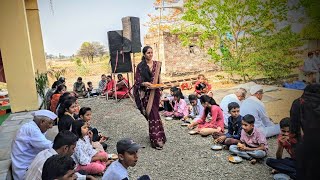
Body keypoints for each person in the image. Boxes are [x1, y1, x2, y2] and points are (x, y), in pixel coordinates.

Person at [25, 130, 94, 180]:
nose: (74, 151)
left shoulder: (46, 152)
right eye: (73, 148)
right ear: (65, 148)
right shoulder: (53, 163)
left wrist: (85, 177)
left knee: (82, 172)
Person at [134, 46, 166, 150]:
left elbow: (158, 77)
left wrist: (160, 87)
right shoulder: (140, 66)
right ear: (144, 54)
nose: (150, 54)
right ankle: (157, 139)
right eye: (148, 53)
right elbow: (137, 81)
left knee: (155, 113)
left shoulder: (157, 64)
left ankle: (158, 137)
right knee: (152, 114)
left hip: (155, 92)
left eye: (151, 52)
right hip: (146, 93)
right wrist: (144, 83)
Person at [11, 110, 57, 180]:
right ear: (42, 122)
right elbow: (49, 146)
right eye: (50, 123)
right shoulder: (32, 130)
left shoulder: (33, 127)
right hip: (24, 170)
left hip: (26, 165)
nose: (51, 126)